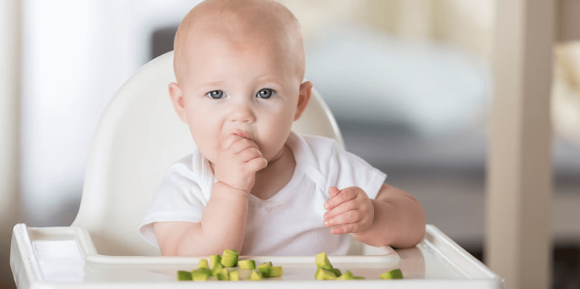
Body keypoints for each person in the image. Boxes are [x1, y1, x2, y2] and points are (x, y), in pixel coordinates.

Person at [138, 0, 425, 256]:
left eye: (265, 93)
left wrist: (374, 218)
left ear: (299, 102)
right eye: (217, 94)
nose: (241, 114)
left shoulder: (326, 165)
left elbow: (414, 222)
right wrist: (228, 190)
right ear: (182, 103)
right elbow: (186, 262)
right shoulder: (186, 184)